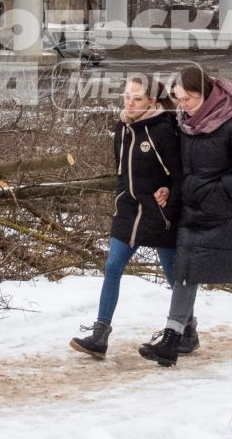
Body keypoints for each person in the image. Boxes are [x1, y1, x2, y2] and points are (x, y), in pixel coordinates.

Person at [138, 65, 232, 367]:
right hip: (197, 211)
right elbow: (180, 168)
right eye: (178, 99)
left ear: (207, 94)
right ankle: (173, 337)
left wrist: (220, 191)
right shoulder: (184, 124)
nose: (182, 106)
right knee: (185, 269)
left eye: (188, 99)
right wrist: (171, 190)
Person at [71, 76, 181, 359]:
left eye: (137, 99)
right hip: (129, 211)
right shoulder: (121, 129)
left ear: (152, 102)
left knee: (173, 276)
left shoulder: (164, 131)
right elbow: (121, 173)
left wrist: (169, 190)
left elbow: (180, 174)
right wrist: (121, 199)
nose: (129, 103)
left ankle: (187, 328)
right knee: (112, 267)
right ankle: (100, 335)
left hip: (159, 213)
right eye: (126, 97)